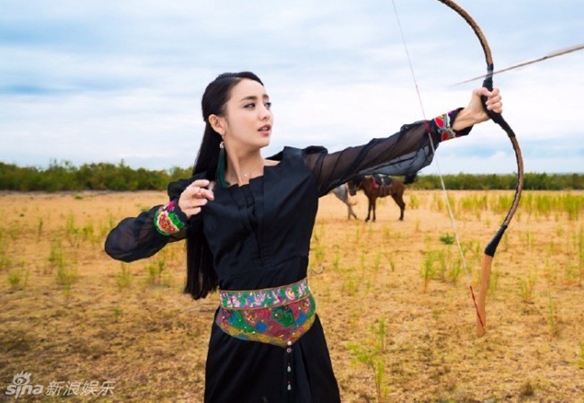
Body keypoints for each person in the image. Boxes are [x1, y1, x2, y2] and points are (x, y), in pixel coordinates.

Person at [104, 71, 504, 402]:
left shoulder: (300, 172)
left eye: (267, 103)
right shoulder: (202, 194)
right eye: (250, 105)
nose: (265, 114)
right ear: (217, 123)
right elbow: (119, 244)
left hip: (304, 341)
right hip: (238, 351)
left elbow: (378, 152)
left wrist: (462, 117)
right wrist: (172, 216)